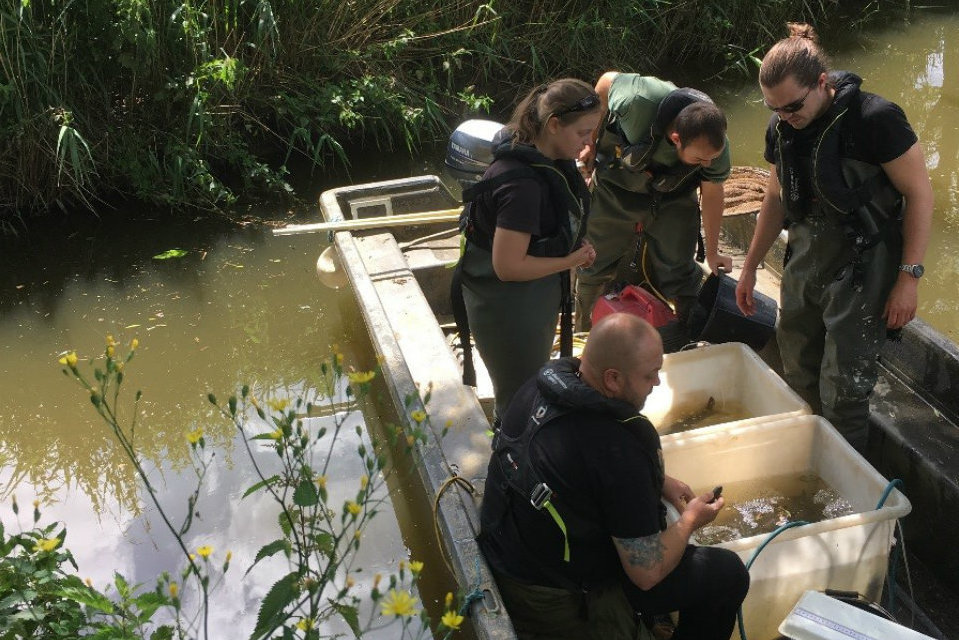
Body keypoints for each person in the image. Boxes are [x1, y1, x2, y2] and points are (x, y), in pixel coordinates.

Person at [479, 312, 749, 640]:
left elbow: (579, 471)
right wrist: (690, 520)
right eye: (650, 375)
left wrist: (660, 481)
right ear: (613, 379)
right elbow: (645, 573)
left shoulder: (541, 387)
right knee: (726, 574)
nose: (657, 383)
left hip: (509, 552)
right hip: (550, 595)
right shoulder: (617, 446)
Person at [735, 22, 933, 450]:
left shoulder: (876, 120)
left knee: (844, 391)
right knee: (797, 369)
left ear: (822, 83)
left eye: (792, 106)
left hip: (866, 267)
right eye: (774, 108)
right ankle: (809, 459)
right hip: (806, 256)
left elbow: (920, 195)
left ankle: (847, 490)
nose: (784, 117)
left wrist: (908, 278)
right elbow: (774, 198)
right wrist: (750, 267)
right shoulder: (782, 127)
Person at [452, 79, 601, 421]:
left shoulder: (545, 158)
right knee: (518, 400)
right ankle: (510, 462)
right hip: (508, 308)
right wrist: (570, 260)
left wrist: (574, 244)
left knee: (531, 387)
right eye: (583, 132)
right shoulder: (521, 184)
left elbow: (545, 229)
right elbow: (507, 266)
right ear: (553, 125)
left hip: (532, 299)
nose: (588, 142)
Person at [574, 71, 734, 332]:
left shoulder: (716, 147)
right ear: (676, 140)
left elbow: (713, 193)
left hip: (674, 198)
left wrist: (714, 252)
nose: (708, 164)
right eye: (700, 160)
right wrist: (590, 141)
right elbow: (605, 83)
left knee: (680, 272)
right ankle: (585, 333)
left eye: (712, 159)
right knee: (593, 262)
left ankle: (684, 336)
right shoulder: (639, 101)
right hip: (616, 187)